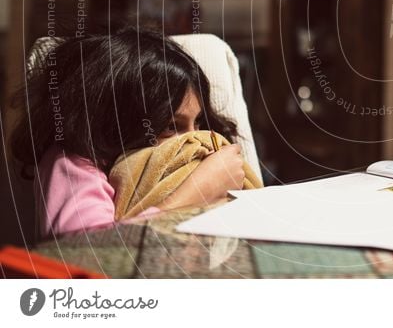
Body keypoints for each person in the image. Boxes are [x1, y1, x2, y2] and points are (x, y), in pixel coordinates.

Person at [10, 28, 247, 237]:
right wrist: (198, 190)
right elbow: (86, 251)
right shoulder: (73, 162)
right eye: (171, 126)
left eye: (198, 123)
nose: (194, 139)